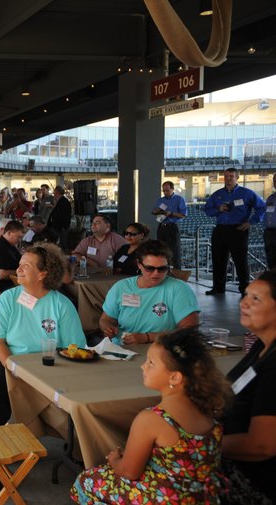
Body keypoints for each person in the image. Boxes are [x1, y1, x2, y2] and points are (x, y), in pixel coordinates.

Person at [71, 326, 231, 504]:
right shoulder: (208, 409)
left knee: (86, 480)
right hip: (203, 497)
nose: (143, 366)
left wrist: (115, 460)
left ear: (174, 378)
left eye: (151, 363)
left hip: (164, 498)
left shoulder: (152, 418)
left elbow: (129, 471)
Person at [0, 243, 86, 494]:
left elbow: (73, 347)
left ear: (43, 273)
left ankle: (81, 449)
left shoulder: (62, 304)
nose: (18, 268)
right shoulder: (8, 298)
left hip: (52, 364)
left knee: (79, 397)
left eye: (26, 265)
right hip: (12, 360)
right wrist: (11, 367)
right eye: (20, 264)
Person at [220, 270, 276, 504]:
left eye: (256, 299)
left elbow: (262, 445)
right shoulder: (262, 346)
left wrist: (200, 444)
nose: (243, 303)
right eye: (246, 295)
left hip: (253, 481)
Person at [99, 240, 199, 345]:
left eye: (162, 269)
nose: (156, 274)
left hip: (162, 349)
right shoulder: (121, 287)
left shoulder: (179, 289)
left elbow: (190, 330)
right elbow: (106, 319)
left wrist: (148, 337)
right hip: (122, 349)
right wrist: (108, 328)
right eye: (150, 268)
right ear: (139, 264)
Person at [204, 167, 266, 296]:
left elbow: (261, 208)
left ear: (237, 177)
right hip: (220, 229)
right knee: (218, 260)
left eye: (231, 176)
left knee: (240, 261)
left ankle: (245, 289)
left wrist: (251, 222)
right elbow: (207, 210)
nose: (228, 179)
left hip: (238, 229)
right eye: (226, 176)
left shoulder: (247, 193)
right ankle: (218, 288)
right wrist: (218, 208)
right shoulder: (217, 194)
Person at [152, 181, 187, 269]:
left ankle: (177, 273)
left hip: (172, 226)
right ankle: (163, 270)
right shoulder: (161, 200)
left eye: (167, 190)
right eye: (164, 191)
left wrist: (171, 214)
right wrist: (156, 211)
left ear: (172, 189)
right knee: (161, 250)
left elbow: (183, 215)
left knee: (175, 251)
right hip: (162, 226)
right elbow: (154, 210)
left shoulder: (179, 199)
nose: (165, 192)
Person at [0, 221, 23, 291]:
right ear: (9, 233)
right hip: (2, 286)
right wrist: (21, 271)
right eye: (18, 237)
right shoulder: (1, 247)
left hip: (10, 283)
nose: (19, 240)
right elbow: (1, 275)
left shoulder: (9, 245)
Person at [264, 174, 276, 269]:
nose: (275, 183)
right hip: (269, 233)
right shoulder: (270, 198)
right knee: (271, 261)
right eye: (274, 180)